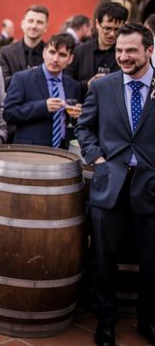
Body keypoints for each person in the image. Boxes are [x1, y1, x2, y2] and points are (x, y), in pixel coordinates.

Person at [76, 22, 155, 346]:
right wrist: (97, 159)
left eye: (131, 50)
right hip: (110, 185)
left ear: (149, 51)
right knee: (103, 259)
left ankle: (147, 321)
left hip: (151, 187)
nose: (123, 56)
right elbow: (84, 128)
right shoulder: (102, 86)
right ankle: (105, 320)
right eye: (119, 50)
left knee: (152, 260)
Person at [3, 34, 81, 148]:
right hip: (30, 151)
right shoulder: (22, 79)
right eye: (52, 52)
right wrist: (43, 107)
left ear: (70, 59)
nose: (55, 59)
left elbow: (73, 124)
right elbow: (9, 114)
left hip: (63, 150)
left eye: (62, 55)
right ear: (44, 53)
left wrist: (77, 116)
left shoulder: (74, 86)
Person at [66, 2, 128, 94]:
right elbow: (66, 83)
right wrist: (87, 84)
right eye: (107, 28)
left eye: (117, 30)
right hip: (85, 106)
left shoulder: (127, 54)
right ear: (97, 24)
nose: (112, 34)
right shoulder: (79, 51)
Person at [0, 5, 49, 87]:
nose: (34, 26)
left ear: (46, 27)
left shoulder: (52, 54)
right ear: (23, 24)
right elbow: (4, 83)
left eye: (39, 22)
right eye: (30, 21)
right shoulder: (6, 52)